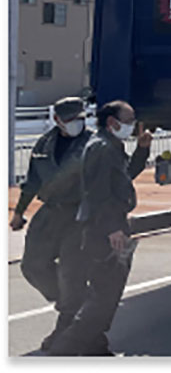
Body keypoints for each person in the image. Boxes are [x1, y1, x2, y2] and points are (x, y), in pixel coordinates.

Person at [47, 100, 151, 356]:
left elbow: (123, 179)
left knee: (104, 294)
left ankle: (95, 349)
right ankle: (65, 350)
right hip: (103, 230)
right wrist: (113, 228)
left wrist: (142, 151)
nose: (132, 125)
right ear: (112, 122)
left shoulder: (111, 146)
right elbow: (99, 194)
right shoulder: (102, 148)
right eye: (128, 121)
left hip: (106, 226)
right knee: (104, 296)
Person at [11, 98, 93, 352]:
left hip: (80, 213)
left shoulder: (95, 144)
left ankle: (67, 321)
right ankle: (75, 303)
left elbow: (119, 175)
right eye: (70, 119)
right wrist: (19, 212)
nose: (77, 123)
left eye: (80, 118)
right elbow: (32, 181)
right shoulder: (44, 144)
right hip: (50, 212)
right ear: (57, 120)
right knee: (32, 266)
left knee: (71, 269)